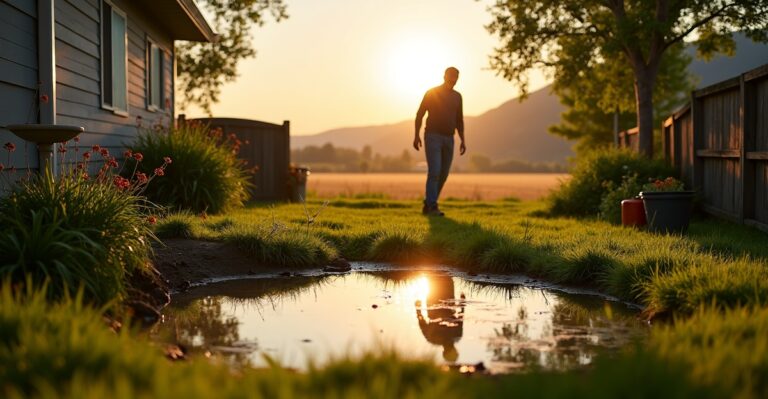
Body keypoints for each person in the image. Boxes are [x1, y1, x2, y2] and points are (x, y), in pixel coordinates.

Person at [413, 67, 466, 216]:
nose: (453, 79)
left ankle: (428, 204)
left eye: (456, 77)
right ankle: (432, 206)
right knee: (435, 171)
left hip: (450, 138)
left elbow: (459, 120)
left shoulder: (457, 97)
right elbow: (420, 114)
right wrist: (416, 135)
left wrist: (462, 139)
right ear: (444, 76)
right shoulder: (432, 92)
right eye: (451, 76)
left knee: (444, 174)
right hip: (432, 137)